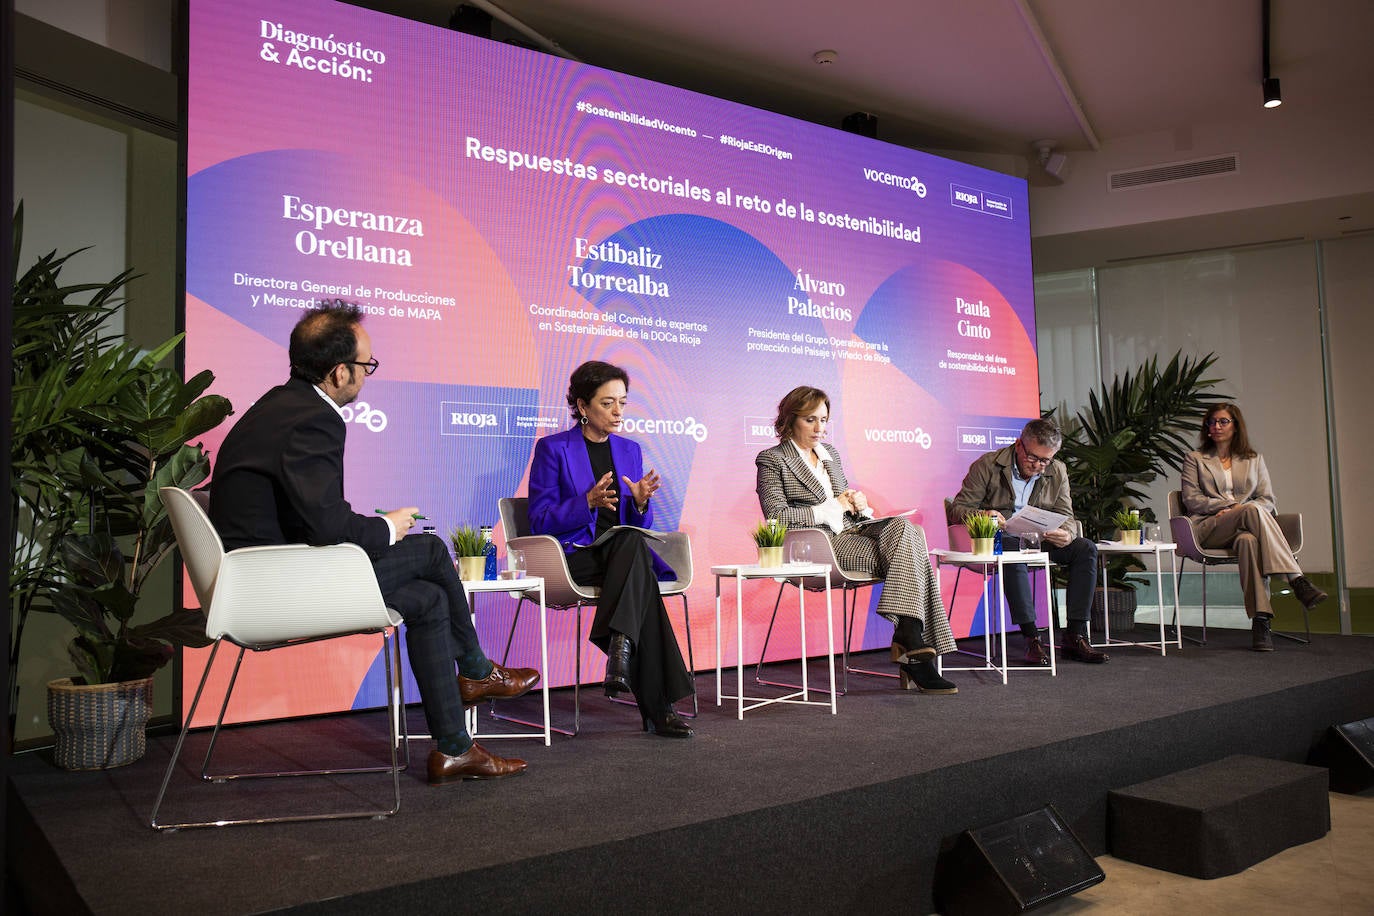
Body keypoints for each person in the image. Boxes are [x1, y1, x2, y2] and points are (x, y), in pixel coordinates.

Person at [209, 301, 538, 785]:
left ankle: (455, 749)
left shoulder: (278, 407)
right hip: (276, 590)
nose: (367, 376)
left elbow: (306, 518)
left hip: (266, 576)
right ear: (339, 372)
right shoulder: (314, 418)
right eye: (367, 366)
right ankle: (475, 670)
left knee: (427, 600)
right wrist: (386, 527)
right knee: (430, 550)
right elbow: (325, 528)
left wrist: (376, 527)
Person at [527, 360, 695, 738]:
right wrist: (585, 502)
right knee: (639, 576)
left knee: (631, 546)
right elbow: (538, 520)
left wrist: (640, 503)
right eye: (607, 403)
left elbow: (637, 525)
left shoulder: (629, 450)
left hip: (621, 555)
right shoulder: (553, 449)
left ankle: (622, 647)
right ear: (583, 406)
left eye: (622, 402)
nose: (618, 411)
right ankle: (656, 702)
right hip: (575, 557)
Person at [754, 386, 959, 694]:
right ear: (790, 419)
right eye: (810, 420)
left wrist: (858, 504)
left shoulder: (830, 454)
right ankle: (912, 646)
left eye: (824, 420)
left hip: (853, 531)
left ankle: (910, 636)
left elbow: (843, 502)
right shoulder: (773, 460)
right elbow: (776, 517)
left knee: (906, 529)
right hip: (818, 545)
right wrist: (833, 507)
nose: (820, 428)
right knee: (913, 549)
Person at [951, 418, 1108, 664]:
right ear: (1018, 445)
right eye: (1033, 457)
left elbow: (1066, 515)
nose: (1038, 466)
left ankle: (1075, 636)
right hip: (1001, 540)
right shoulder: (987, 465)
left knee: (1085, 548)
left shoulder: (1057, 470)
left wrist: (1067, 533)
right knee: (1012, 547)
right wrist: (984, 514)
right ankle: (1032, 638)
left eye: (1045, 460)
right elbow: (957, 509)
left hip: (1040, 539)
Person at [1181, 402, 1326, 651]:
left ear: (1236, 426)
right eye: (1211, 422)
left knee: (1248, 540)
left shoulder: (1253, 459)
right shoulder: (1195, 459)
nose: (1216, 426)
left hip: (1247, 528)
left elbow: (1267, 500)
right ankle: (1296, 579)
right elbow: (1191, 499)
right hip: (1209, 528)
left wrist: (1241, 510)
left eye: (1223, 421)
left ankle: (1261, 620)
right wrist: (1230, 507)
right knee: (1250, 509)